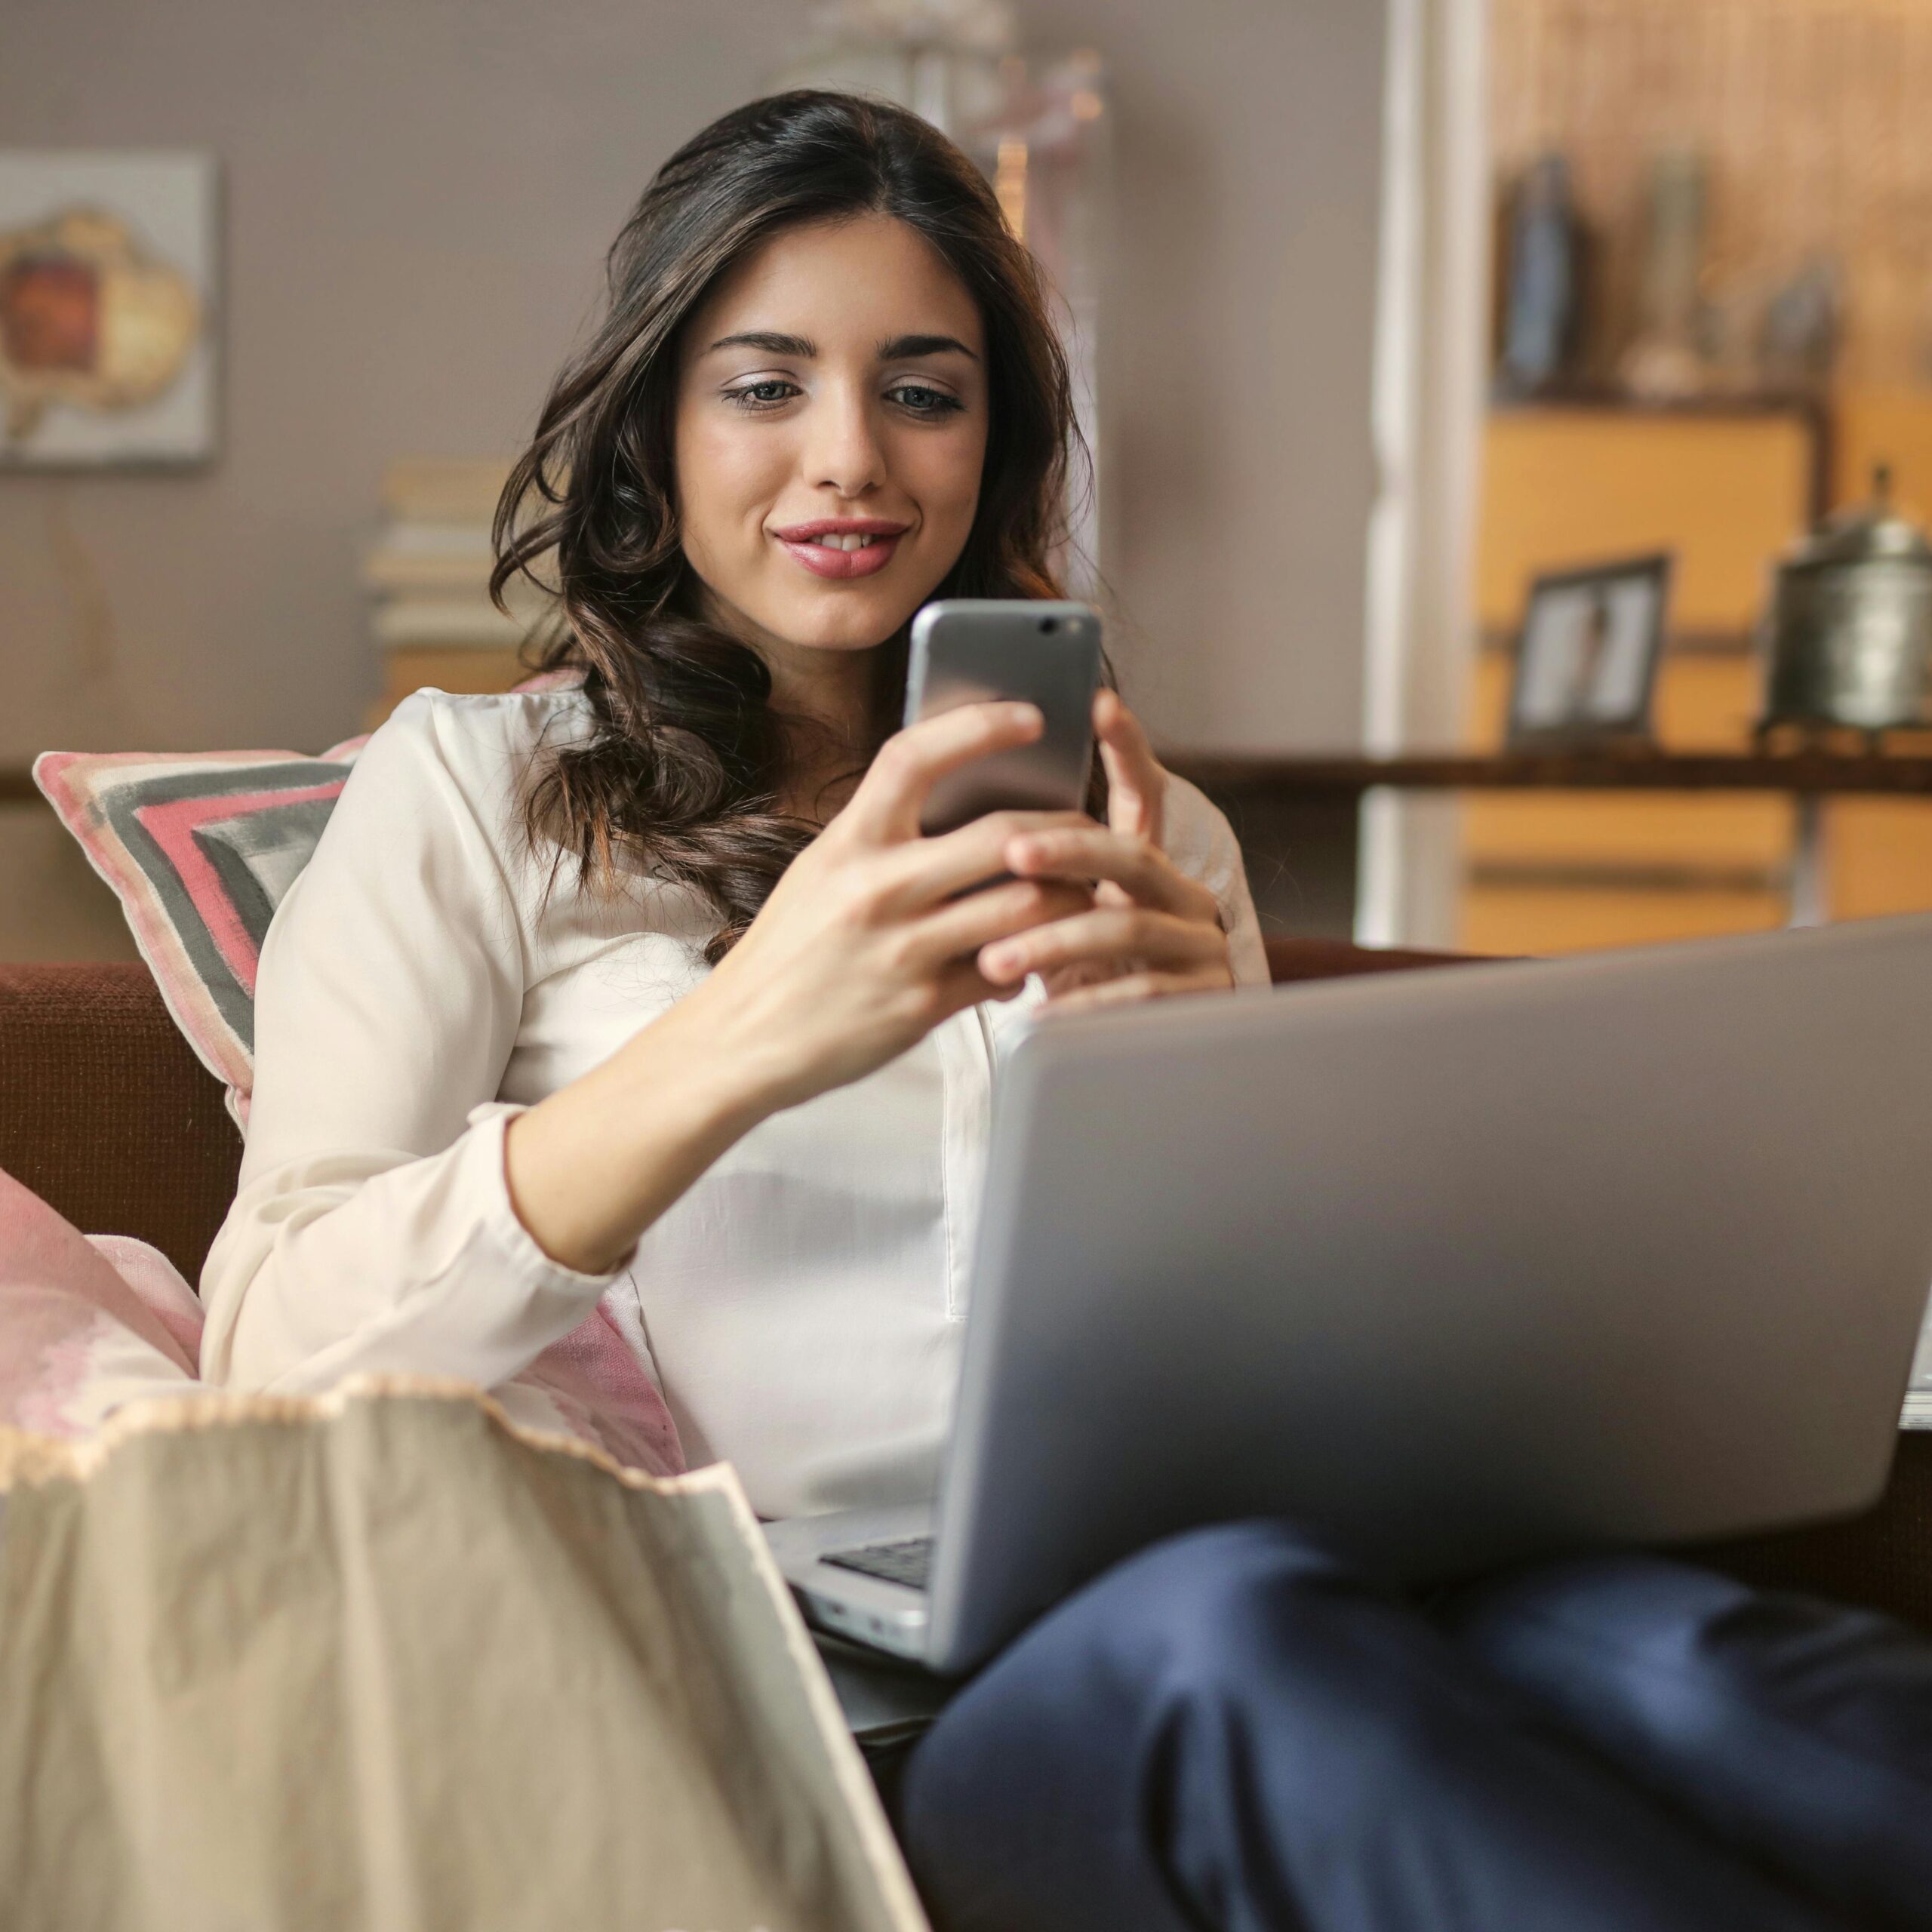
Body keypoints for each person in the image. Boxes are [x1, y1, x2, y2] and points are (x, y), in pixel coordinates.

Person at [200, 91, 1932, 1932]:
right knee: (1232, 1637)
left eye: (923, 390)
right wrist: (747, 1030)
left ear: (995, 439)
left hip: (1249, 1554)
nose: (850, 458)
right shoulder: (475, 793)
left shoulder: (1139, 817)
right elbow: (270, 1348)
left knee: (1706, 1658)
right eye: (766, 384)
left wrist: (1236, 1095)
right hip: (844, 1693)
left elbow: (1302, 1355)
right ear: (653, 428)